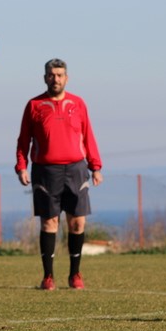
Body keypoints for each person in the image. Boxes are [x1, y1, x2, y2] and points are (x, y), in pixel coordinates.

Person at [15, 58, 103, 291]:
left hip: (76, 169)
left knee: (77, 223)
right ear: (45, 77)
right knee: (49, 222)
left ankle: (75, 274)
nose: (56, 79)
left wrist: (95, 166)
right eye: (52, 75)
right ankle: (48, 277)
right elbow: (24, 140)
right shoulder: (34, 105)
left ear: (67, 78)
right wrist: (21, 166)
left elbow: (88, 135)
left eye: (60, 75)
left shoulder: (78, 103)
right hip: (45, 171)